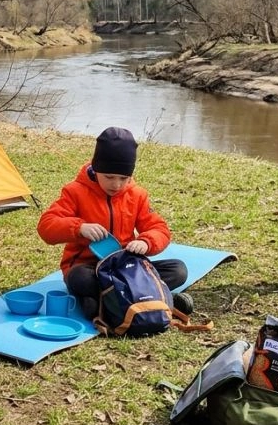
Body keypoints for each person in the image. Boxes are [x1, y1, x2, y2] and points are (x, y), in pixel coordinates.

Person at [37, 127, 193, 319]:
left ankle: (107, 302)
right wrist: (79, 228)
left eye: (123, 178)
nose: (116, 185)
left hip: (126, 268)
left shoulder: (137, 195)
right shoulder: (75, 192)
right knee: (79, 279)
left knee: (178, 270)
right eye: (109, 177)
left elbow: (159, 229)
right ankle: (148, 296)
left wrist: (146, 242)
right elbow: (46, 226)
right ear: (96, 169)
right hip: (89, 269)